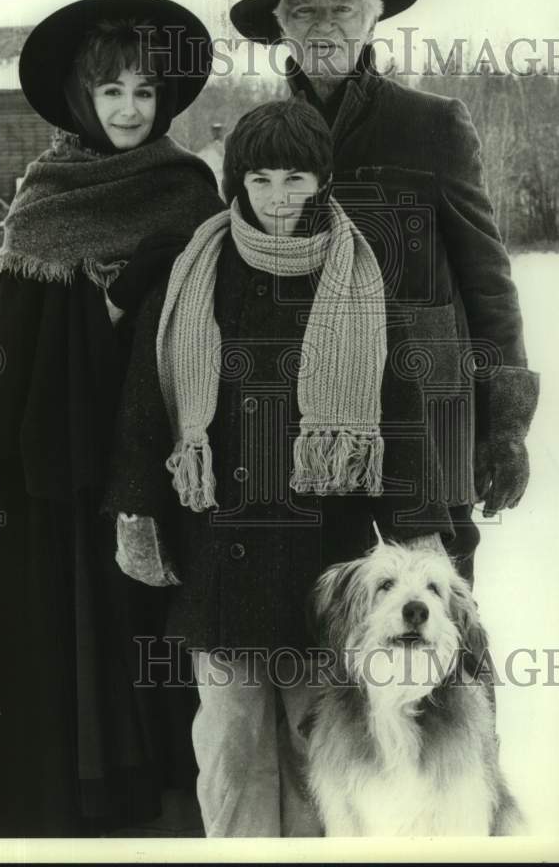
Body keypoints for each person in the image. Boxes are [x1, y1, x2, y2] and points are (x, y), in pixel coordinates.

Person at [105, 99, 458, 837]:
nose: (277, 198)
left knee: (316, 744)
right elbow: (145, 401)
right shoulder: (193, 272)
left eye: (294, 177)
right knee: (230, 747)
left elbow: (398, 413)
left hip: (319, 561)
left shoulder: (359, 278)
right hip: (216, 554)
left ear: (322, 180)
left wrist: (419, 530)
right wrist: (138, 510)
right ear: (236, 183)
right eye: (259, 178)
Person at [0, 0, 223, 837]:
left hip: (157, 452)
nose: (130, 109)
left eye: (144, 91)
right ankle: (60, 805)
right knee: (58, 625)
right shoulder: (45, 194)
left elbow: (208, 317)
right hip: (52, 464)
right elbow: (10, 339)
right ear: (81, 98)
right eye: (112, 92)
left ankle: (155, 804)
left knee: (146, 625)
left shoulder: (188, 190)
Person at [230, 0, 540, 583]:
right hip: (305, 426)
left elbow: (486, 278)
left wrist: (504, 422)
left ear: (371, 20)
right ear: (282, 29)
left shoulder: (430, 123)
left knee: (431, 638)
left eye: (342, 9)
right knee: (321, 629)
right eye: (305, 12)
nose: (324, 26)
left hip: (423, 422)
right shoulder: (258, 139)